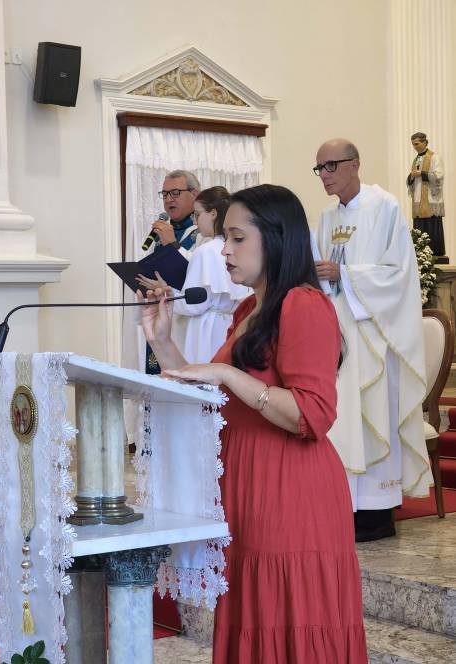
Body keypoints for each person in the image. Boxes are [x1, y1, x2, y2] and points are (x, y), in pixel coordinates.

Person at [138, 184, 367, 663]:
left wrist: (226, 373)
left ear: (277, 238)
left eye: (237, 238)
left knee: (288, 619)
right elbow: (216, 399)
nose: (224, 250)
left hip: (290, 489)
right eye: (225, 238)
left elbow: (312, 413)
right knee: (255, 616)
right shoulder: (250, 308)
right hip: (247, 483)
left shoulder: (303, 304)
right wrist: (162, 343)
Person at [314, 138, 432, 542]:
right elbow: (321, 276)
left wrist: (345, 275)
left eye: (331, 166)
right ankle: (343, 506)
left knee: (371, 420)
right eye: (320, 168)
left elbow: (398, 273)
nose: (324, 175)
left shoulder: (385, 207)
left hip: (374, 337)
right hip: (337, 337)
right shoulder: (326, 218)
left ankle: (376, 513)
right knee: (343, 423)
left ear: (355, 164)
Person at [137, 186, 251, 363]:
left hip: (206, 331)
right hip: (228, 325)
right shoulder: (233, 247)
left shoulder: (206, 250)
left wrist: (165, 292)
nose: (195, 222)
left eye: (197, 215)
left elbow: (194, 305)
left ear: (213, 214)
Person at [145, 169, 201, 374]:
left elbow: (198, 274)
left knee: (182, 377)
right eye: (165, 194)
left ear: (194, 194)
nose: (169, 199)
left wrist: (173, 245)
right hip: (161, 314)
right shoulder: (162, 232)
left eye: (175, 193)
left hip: (186, 320)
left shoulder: (203, 233)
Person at [407, 131, 446, 260]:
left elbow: (439, 176)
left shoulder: (434, 157)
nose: (415, 147)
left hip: (430, 199)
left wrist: (422, 174)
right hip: (418, 200)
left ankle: (435, 252)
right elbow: (411, 180)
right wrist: (411, 177)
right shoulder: (416, 160)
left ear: (425, 142)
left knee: (432, 226)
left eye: (417, 144)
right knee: (419, 227)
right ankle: (420, 253)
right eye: (413, 144)